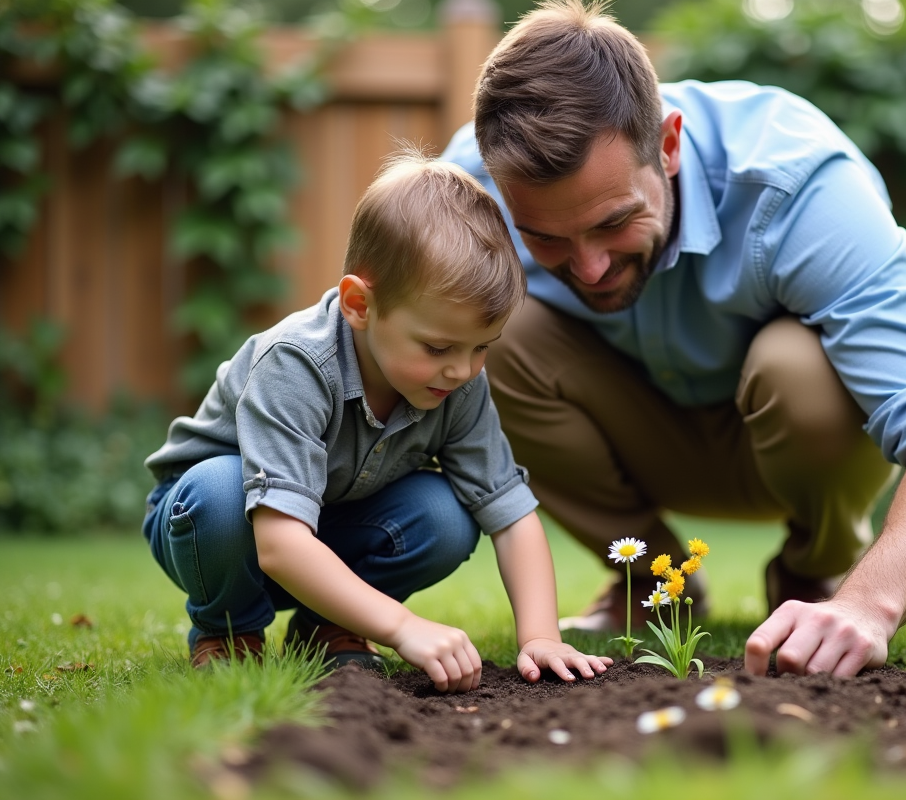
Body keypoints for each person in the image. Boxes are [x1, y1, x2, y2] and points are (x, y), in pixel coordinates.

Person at [441, 0, 906, 678]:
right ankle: (657, 584)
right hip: (628, 435)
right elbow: (373, 344)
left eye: (614, 221)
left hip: (798, 440)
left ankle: (813, 579)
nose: (588, 268)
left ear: (670, 145)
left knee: (796, 366)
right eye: (546, 238)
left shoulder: (797, 183)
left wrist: (870, 605)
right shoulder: (469, 192)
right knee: (477, 339)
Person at [142, 148, 612, 692]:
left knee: (447, 515)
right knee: (220, 493)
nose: (462, 369)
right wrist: (402, 626)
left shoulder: (454, 381)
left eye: (482, 346)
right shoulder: (296, 365)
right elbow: (278, 541)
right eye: (438, 346)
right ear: (359, 304)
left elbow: (510, 515)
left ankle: (330, 626)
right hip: (213, 532)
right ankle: (229, 630)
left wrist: (541, 636)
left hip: (328, 526)